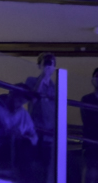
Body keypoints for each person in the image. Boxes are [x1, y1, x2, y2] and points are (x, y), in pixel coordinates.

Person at [22, 52, 62, 182]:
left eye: (51, 63)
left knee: (47, 166)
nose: (49, 65)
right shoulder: (31, 81)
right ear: (39, 65)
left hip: (49, 133)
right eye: (46, 62)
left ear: (55, 67)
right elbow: (33, 99)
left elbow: (57, 111)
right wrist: (44, 76)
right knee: (33, 163)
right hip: (35, 129)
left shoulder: (56, 88)